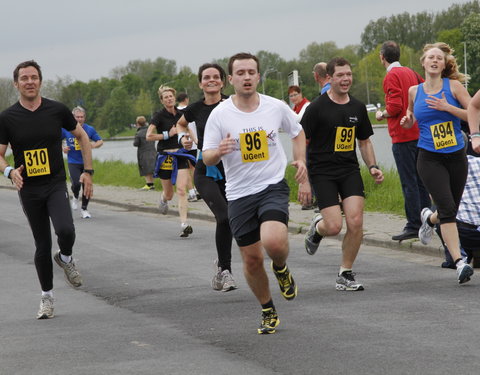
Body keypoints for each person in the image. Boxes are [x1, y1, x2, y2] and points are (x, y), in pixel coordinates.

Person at [202, 52, 310, 334]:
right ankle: (267, 308)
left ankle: (282, 267)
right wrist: (218, 152)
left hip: (271, 186)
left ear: (258, 76)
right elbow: (206, 157)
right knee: (251, 259)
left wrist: (301, 161)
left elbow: (298, 133)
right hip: (238, 194)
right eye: (240, 73)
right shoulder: (220, 114)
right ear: (231, 79)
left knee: (273, 243)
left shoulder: (275, 107)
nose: (246, 77)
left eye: (251, 72)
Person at [0, 60, 92, 319]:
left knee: (65, 229)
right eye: (24, 78)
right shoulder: (7, 117)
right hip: (29, 188)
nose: (29, 82)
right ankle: (47, 298)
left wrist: (88, 172)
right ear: (16, 84)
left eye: (34, 77)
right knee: (42, 243)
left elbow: (82, 136)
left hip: (54, 183)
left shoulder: (57, 110)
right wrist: (9, 171)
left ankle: (65, 257)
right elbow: (0, 155)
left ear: (40, 81)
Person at [302, 57, 384, 291]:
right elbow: (302, 142)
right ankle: (318, 228)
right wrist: (304, 178)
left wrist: (373, 166)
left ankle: (345, 273)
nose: (346, 79)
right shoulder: (316, 108)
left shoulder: (357, 107)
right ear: (330, 78)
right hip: (322, 172)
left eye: (348, 74)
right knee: (335, 226)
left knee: (356, 221)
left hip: (349, 170)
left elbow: (364, 142)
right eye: (340, 75)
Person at [400, 42, 474, 284]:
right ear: (423, 63)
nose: (434, 61)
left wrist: (447, 107)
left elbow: (474, 113)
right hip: (429, 157)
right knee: (449, 209)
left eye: (439, 58)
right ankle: (460, 261)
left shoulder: (453, 87)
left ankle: (428, 219)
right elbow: (411, 117)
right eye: (430, 57)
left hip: (456, 155)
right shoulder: (414, 91)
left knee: (447, 208)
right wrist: (407, 120)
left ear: (444, 65)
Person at [176, 64, 237, 292]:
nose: (211, 80)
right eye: (206, 77)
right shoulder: (194, 109)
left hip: (233, 170)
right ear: (200, 83)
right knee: (224, 216)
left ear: (223, 81)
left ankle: (222, 265)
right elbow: (180, 125)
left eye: (215, 77)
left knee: (237, 219)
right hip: (206, 171)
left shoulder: (232, 104)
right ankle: (226, 271)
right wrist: (185, 139)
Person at [376, 41, 431, 241]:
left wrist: (382, 114)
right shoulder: (410, 72)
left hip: (402, 135)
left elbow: (395, 105)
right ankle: (427, 220)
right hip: (419, 133)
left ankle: (413, 224)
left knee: (409, 182)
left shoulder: (391, 75)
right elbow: (424, 90)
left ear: (382, 57)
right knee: (421, 181)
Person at [147, 85, 195, 237]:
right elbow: (149, 136)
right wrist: (168, 134)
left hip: (180, 154)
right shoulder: (158, 116)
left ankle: (184, 224)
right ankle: (163, 199)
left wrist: (199, 143)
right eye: (166, 97)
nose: (169, 99)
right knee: (169, 194)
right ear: (162, 100)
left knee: (181, 190)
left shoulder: (181, 114)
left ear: (174, 98)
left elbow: (189, 130)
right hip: (165, 156)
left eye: (171, 96)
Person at [62, 106, 103, 219]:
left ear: (84, 118)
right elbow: (55, 140)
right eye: (77, 117)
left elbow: (100, 141)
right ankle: (75, 196)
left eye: (81, 117)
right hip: (73, 161)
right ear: (73, 117)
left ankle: (84, 209)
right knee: (76, 183)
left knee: (87, 186)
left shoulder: (89, 129)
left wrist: (92, 145)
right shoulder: (66, 129)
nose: (79, 119)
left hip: (86, 162)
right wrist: (63, 148)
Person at [176, 92, 199, 202]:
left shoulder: (176, 111)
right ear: (186, 99)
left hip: (182, 142)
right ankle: (198, 189)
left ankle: (192, 192)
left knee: (185, 168)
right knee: (194, 167)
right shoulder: (192, 109)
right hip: (194, 142)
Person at [133, 115, 156, 190]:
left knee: (145, 168)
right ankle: (152, 184)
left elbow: (135, 144)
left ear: (138, 124)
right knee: (151, 168)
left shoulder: (138, 133)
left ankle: (148, 184)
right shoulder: (150, 130)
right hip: (153, 151)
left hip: (143, 152)